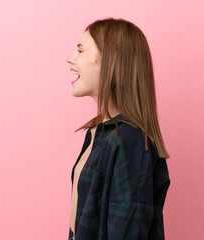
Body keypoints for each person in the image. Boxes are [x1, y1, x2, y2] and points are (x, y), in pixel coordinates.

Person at [66, 18, 170, 240]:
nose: (70, 58)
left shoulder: (130, 141)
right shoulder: (97, 133)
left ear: (109, 61)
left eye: (80, 50)